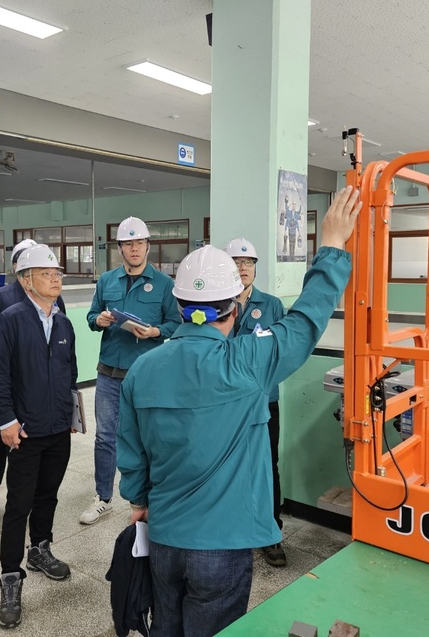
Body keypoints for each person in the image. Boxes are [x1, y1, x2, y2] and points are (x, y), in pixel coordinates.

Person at [117, 187, 361, 637]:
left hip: (164, 539)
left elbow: (130, 453)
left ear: (180, 305)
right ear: (233, 309)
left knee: (165, 627)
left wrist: (138, 500)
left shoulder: (142, 370)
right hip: (223, 547)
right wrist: (333, 244)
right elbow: (305, 322)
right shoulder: (247, 362)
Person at [0, 244, 77, 630]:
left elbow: (69, 371)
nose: (56, 279)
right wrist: (6, 421)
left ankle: (40, 548)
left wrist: (70, 414)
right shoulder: (10, 319)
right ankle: (10, 576)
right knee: (18, 503)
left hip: (58, 429)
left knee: (48, 494)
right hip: (25, 431)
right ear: (26, 280)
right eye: (46, 273)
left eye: (58, 273)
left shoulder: (63, 321)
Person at [81, 216, 180, 525]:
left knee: (148, 437)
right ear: (120, 248)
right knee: (106, 437)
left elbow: (175, 324)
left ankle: (148, 499)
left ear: (148, 246)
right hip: (109, 373)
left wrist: (155, 332)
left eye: (139, 243)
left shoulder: (165, 284)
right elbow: (91, 315)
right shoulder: (106, 281)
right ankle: (103, 497)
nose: (134, 249)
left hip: (147, 375)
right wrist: (99, 321)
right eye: (128, 244)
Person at [0, 238, 66, 516]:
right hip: (8, 384)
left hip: (38, 385)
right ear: (18, 268)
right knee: (0, 439)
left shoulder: (51, 295)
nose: (51, 277)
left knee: (32, 446)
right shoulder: (1, 298)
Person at [223, 237, 287, 567]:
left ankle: (271, 533)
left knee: (266, 466)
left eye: (248, 263)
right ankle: (235, 529)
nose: (243, 267)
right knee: (230, 466)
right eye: (236, 262)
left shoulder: (272, 304)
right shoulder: (218, 304)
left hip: (264, 399)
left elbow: (282, 348)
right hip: (227, 402)